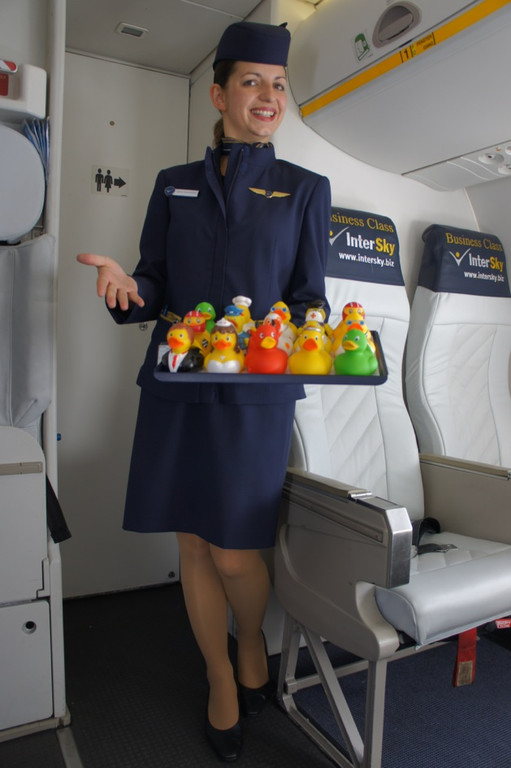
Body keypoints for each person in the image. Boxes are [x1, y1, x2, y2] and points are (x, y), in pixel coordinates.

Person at [77, 20, 331, 762]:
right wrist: (127, 288)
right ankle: (219, 674)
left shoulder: (304, 190)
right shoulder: (173, 184)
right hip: (177, 382)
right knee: (192, 541)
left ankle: (249, 638)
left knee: (234, 553)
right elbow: (153, 281)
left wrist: (307, 330)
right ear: (219, 95)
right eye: (252, 81)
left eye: (277, 85)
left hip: (255, 395)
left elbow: (310, 299)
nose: (268, 95)